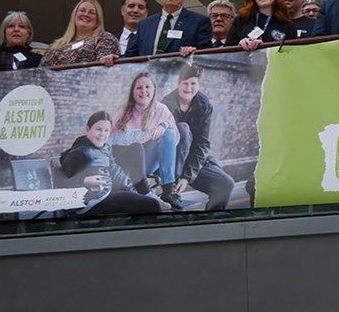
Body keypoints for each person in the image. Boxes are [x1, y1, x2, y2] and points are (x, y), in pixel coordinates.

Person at [59, 111, 162, 216]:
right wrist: (84, 181)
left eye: (106, 130)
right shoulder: (81, 151)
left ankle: (144, 193)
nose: (102, 134)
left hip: (108, 192)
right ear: (88, 130)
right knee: (153, 205)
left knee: (136, 148)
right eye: (98, 129)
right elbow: (60, 180)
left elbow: (115, 171)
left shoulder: (105, 147)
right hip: (93, 202)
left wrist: (132, 190)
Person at [161, 64, 235, 211]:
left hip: (192, 161)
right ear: (178, 84)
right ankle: (171, 191)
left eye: (193, 83)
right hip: (171, 161)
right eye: (185, 83)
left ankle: (211, 223)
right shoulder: (166, 104)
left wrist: (187, 177)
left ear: (199, 85)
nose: (189, 88)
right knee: (183, 129)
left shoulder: (204, 105)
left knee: (226, 184)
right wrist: (177, 177)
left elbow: (202, 143)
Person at [110, 71, 182, 210]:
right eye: (139, 88)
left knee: (168, 133)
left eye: (147, 87)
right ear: (133, 92)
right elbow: (109, 135)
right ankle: (140, 187)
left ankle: (168, 190)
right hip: (127, 162)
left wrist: (164, 125)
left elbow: (175, 139)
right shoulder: (125, 110)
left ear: (154, 90)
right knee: (136, 146)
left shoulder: (161, 109)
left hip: (147, 163)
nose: (144, 91)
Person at [125, 0, 210, 57]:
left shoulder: (199, 22)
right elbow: (130, 56)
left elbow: (207, 54)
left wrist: (194, 52)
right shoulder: (145, 24)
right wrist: (114, 58)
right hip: (148, 70)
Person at [38, 0, 120, 68]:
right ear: (74, 15)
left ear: (98, 20)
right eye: (82, 10)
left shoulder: (105, 38)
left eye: (91, 12)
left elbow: (103, 66)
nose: (86, 14)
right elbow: (40, 71)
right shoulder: (56, 45)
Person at [227, 0, 296, 51]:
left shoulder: (286, 25)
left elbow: (291, 54)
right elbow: (227, 51)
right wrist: (239, 45)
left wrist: (266, 47)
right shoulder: (240, 20)